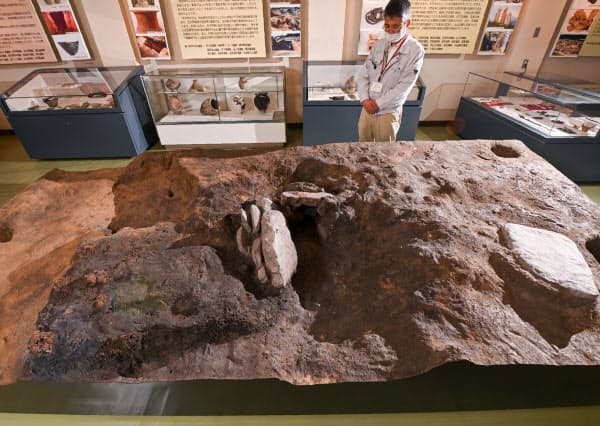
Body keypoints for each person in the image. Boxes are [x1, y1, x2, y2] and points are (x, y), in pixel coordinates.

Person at [357, 0, 424, 142]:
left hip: (387, 112)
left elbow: (404, 86)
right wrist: (364, 99)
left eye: (395, 27)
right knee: (362, 148)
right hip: (367, 108)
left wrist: (378, 103)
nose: (390, 31)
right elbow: (364, 74)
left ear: (407, 24)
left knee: (384, 153)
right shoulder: (379, 44)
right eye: (386, 26)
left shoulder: (415, 50)